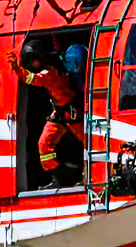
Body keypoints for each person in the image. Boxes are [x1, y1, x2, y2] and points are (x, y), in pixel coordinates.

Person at [15, 39, 85, 188]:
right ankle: (59, 179)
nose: (32, 65)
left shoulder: (50, 73)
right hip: (60, 113)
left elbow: (30, 79)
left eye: (33, 61)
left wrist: (16, 68)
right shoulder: (56, 65)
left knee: (90, 143)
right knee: (44, 144)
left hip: (71, 113)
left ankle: (89, 174)